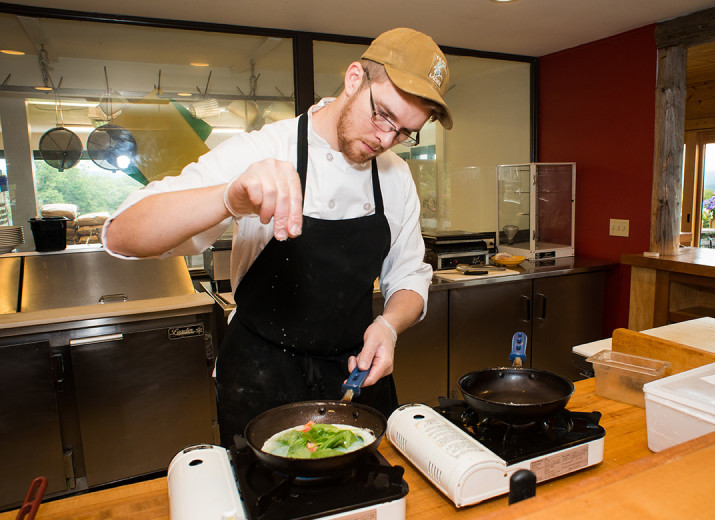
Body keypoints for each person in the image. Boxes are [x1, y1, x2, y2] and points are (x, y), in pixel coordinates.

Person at [103, 27, 453, 446]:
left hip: (355, 374)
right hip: (260, 377)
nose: (385, 139)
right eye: (383, 116)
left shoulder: (396, 176)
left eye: (404, 132)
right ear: (354, 78)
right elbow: (122, 234)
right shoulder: (264, 150)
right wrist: (229, 198)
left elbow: (411, 274)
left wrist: (389, 326)